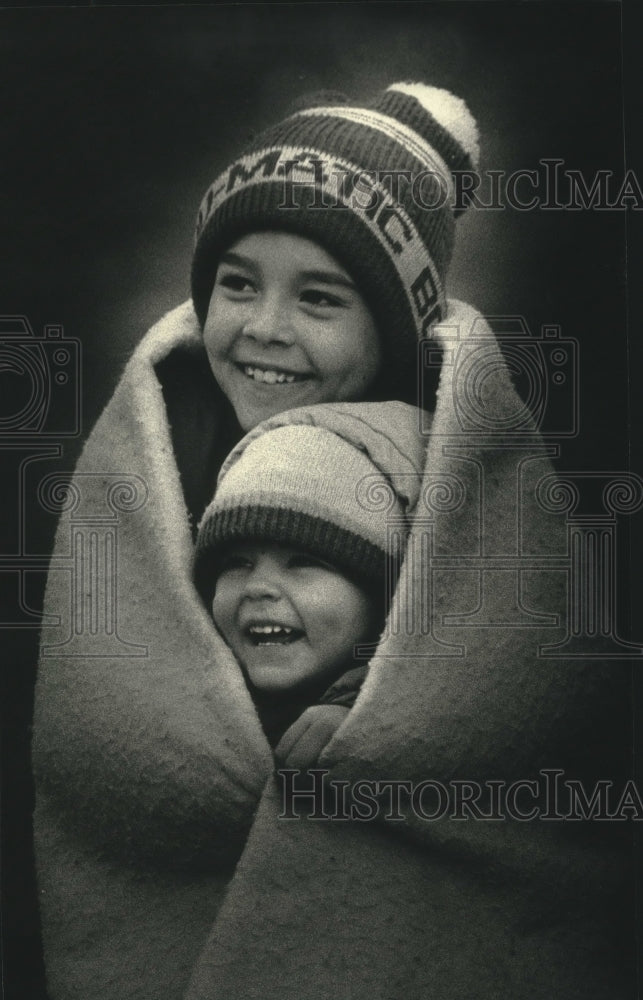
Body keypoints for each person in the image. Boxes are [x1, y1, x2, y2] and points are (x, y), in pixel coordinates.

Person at [31, 80, 632, 1000]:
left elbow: (514, 695)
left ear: (392, 327)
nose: (264, 329)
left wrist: (367, 716)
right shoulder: (160, 447)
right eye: (237, 284)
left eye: (320, 299)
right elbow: (101, 710)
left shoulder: (463, 471)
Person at [192, 400, 426, 762]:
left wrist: (371, 724)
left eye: (302, 562)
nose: (258, 587)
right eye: (237, 563)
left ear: (386, 597)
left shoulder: (416, 716)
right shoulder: (187, 695)